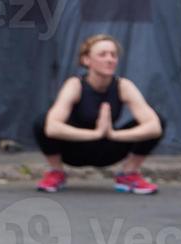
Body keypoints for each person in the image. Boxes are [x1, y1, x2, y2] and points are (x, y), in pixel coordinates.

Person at [33, 34, 164, 194]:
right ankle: (56, 172)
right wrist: (95, 134)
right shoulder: (75, 85)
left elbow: (154, 127)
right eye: (102, 54)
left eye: (113, 55)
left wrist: (113, 135)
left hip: (108, 149)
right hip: (75, 150)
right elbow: (52, 128)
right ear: (86, 60)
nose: (110, 59)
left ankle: (129, 174)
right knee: (42, 121)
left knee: (158, 119)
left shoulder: (124, 86)